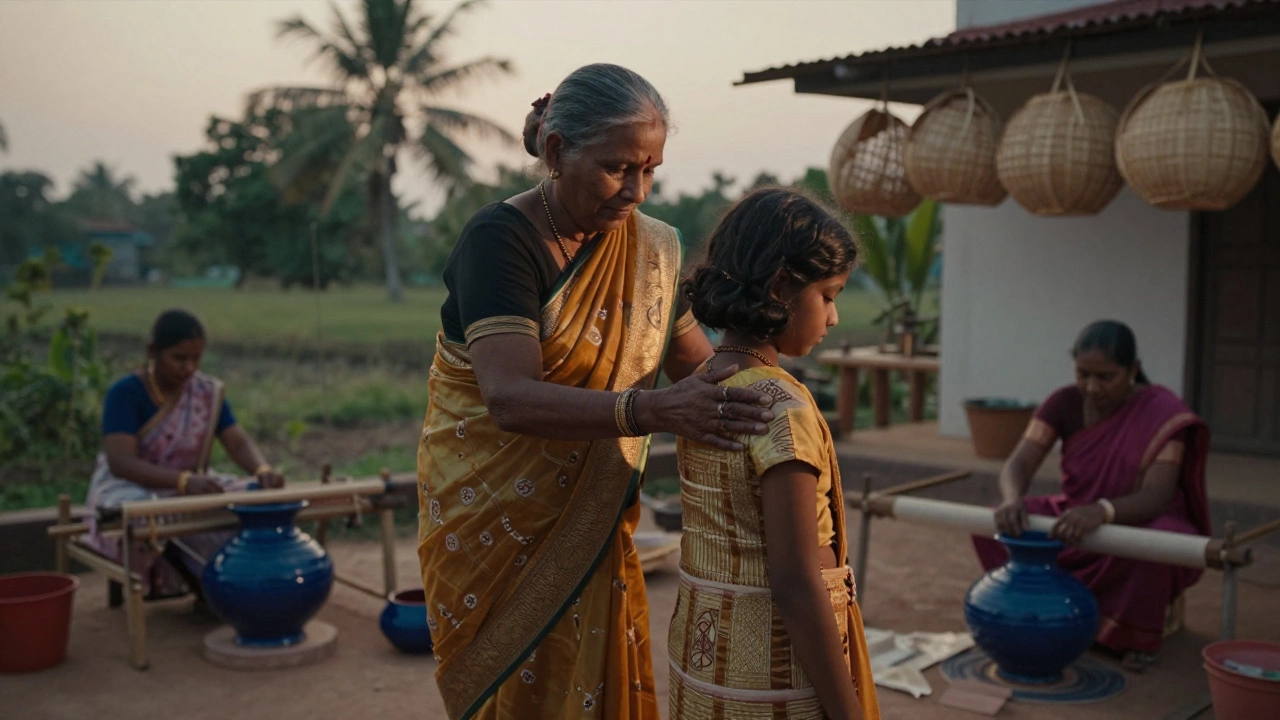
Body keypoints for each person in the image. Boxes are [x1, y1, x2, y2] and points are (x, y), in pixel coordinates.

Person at [417, 63, 775, 720]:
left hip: (593, 528)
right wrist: (652, 411)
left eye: (650, 170)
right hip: (495, 522)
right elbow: (508, 397)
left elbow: (698, 369)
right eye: (617, 169)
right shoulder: (499, 241)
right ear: (556, 152)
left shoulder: (653, 252)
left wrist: (773, 378)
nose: (635, 191)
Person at [668, 188, 881, 720]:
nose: (832, 318)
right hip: (770, 678)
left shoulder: (700, 383)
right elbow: (795, 581)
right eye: (828, 296)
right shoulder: (781, 407)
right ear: (782, 286)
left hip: (701, 659)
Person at [975, 320, 1210, 670]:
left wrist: (1102, 512)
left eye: (1106, 377)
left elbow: (1157, 496)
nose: (1091, 387)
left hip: (1138, 518)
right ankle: (1042, 612)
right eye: (1083, 374)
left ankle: (1128, 636)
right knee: (993, 524)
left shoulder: (1162, 413)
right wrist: (1012, 499)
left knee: (1158, 546)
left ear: (1133, 370)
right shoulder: (1063, 403)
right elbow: (1018, 465)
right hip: (1074, 514)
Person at [86, 309, 285, 599]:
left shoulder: (206, 392)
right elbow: (121, 462)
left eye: (196, 358)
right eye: (179, 358)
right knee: (141, 515)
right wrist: (182, 482)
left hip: (190, 486)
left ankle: (225, 582)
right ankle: (183, 583)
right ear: (153, 351)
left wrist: (263, 471)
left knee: (254, 496)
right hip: (131, 487)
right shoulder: (125, 393)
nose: (189, 368)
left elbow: (237, 442)